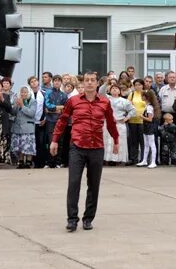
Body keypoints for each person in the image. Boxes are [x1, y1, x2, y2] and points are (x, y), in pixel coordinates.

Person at [50, 71, 118, 232]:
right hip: (77, 147)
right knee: (73, 183)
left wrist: (116, 140)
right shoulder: (73, 101)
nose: (89, 83)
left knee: (94, 185)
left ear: (97, 83)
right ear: (82, 83)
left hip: (96, 148)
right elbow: (63, 120)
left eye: (92, 80)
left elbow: (111, 122)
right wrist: (54, 140)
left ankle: (88, 218)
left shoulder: (104, 102)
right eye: (86, 80)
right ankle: (72, 219)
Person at [104, 84, 133, 165]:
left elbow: (132, 110)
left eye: (116, 88)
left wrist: (127, 118)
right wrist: (106, 84)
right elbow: (100, 92)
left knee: (119, 141)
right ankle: (107, 159)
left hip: (119, 123)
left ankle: (118, 160)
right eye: (113, 88)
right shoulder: (106, 99)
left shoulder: (124, 101)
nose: (114, 90)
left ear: (120, 91)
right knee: (108, 141)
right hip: (108, 123)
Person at [11, 86, 37, 168]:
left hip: (27, 127)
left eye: (25, 92)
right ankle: (20, 161)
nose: (23, 94)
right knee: (19, 146)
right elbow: (13, 113)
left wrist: (22, 106)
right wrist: (15, 105)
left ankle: (28, 162)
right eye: (22, 92)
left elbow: (31, 113)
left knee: (28, 146)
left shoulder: (33, 101)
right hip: (17, 127)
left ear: (29, 93)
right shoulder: (18, 100)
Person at [44, 81, 69, 167]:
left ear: (61, 83)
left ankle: (57, 162)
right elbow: (47, 106)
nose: (57, 83)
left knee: (60, 141)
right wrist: (57, 108)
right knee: (51, 141)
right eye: (55, 81)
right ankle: (50, 162)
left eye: (59, 81)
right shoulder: (48, 93)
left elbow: (66, 108)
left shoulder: (64, 95)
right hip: (50, 121)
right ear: (53, 82)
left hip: (60, 120)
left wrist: (53, 109)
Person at [126, 79, 148, 165]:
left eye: (139, 85)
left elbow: (150, 105)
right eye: (136, 85)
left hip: (143, 120)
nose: (137, 86)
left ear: (143, 85)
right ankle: (133, 158)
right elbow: (127, 106)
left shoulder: (146, 94)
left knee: (143, 141)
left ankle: (143, 159)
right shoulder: (131, 94)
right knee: (133, 140)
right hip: (132, 120)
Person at [27, 76, 48, 168]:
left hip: (41, 121)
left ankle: (42, 162)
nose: (34, 83)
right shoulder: (28, 94)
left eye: (35, 81)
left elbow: (46, 107)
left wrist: (45, 119)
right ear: (30, 84)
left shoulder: (44, 93)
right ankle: (34, 162)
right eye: (32, 81)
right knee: (33, 142)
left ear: (38, 82)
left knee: (41, 142)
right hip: (30, 122)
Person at [137, 91, 157, 168]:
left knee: (152, 144)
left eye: (143, 96)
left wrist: (142, 117)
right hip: (146, 126)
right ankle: (144, 160)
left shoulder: (149, 107)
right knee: (146, 144)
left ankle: (153, 162)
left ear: (146, 97)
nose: (141, 97)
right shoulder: (147, 106)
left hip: (149, 127)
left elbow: (150, 119)